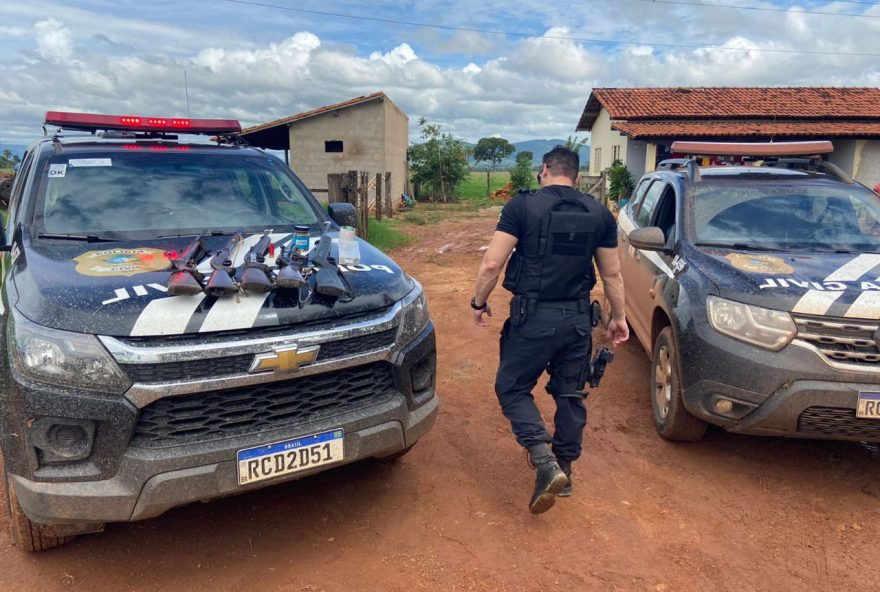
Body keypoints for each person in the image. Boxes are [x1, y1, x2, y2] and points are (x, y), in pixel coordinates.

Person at [471, 146, 628, 515]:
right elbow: (612, 274)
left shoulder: (521, 207)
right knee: (571, 393)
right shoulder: (600, 213)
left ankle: (544, 461)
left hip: (532, 319)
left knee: (511, 387)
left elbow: (493, 263)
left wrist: (479, 301)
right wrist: (618, 317)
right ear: (575, 174)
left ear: (545, 170)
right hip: (577, 320)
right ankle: (566, 470)